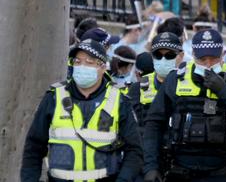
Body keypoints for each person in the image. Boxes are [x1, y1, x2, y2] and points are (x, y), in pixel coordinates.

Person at [141, 29, 226, 181]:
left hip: (225, 174)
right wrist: (151, 166)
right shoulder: (175, 79)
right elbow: (154, 123)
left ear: (223, 54)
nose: (208, 65)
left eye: (213, 58)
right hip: (182, 172)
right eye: (202, 59)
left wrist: (224, 91)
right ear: (193, 55)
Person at [21, 39, 142, 181]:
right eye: (77, 62)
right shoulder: (54, 97)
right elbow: (34, 147)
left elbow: (134, 151)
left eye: (89, 62)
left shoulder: (119, 100)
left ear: (103, 68)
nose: (82, 66)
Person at [129, 32, 185, 133]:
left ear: (181, 56)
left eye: (170, 55)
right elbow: (131, 127)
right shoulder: (138, 88)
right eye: (158, 55)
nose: (163, 59)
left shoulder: (190, 88)